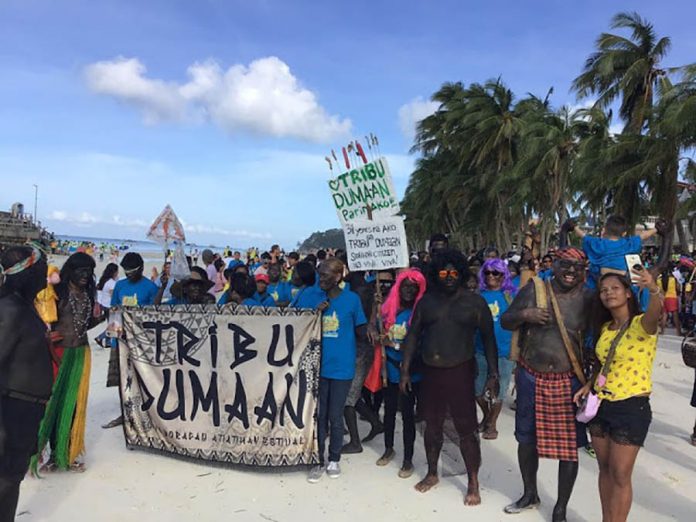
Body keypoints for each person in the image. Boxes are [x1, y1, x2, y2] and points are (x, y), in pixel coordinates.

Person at [500, 247, 593, 521]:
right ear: (555, 265)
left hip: (569, 379)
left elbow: (603, 338)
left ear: (583, 271)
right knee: (526, 439)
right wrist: (524, 315)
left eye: (576, 267)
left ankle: (561, 507)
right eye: (565, 265)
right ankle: (530, 493)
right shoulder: (534, 290)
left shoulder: (589, 298)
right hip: (531, 375)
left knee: (569, 447)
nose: (570, 272)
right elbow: (506, 320)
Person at [400, 250, 499, 505]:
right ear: (435, 274)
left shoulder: (475, 303)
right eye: (443, 272)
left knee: (466, 429)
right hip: (430, 373)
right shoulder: (426, 303)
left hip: (461, 372)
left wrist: (493, 373)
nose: (449, 277)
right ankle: (433, 473)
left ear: (462, 273)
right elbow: (412, 336)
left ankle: (473, 481)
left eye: (454, 272)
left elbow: (489, 339)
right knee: (431, 427)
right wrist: (405, 370)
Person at [573, 268, 661, 522]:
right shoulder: (604, 328)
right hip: (601, 405)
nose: (608, 293)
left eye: (615, 288)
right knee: (605, 469)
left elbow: (656, 313)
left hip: (631, 407)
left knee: (621, 474)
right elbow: (603, 362)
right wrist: (589, 384)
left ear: (628, 294)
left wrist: (654, 288)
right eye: (603, 290)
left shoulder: (642, 325)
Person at [33, 253, 104, 473]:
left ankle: (63, 455)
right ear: (70, 271)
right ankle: (37, 457)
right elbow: (41, 322)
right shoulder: (56, 293)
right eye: (81, 271)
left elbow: (83, 326)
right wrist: (46, 338)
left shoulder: (88, 296)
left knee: (72, 406)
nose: (85, 276)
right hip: (58, 354)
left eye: (89, 272)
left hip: (80, 354)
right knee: (51, 405)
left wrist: (98, 318)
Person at [0, 245, 51, 521]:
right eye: (43, 267)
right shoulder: (11, 309)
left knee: (11, 478)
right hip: (11, 410)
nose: (47, 273)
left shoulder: (21, 306)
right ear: (28, 272)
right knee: (6, 479)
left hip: (24, 408)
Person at [307, 258, 368, 483]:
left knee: (335, 415)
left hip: (342, 368)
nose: (321, 279)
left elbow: (361, 330)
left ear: (338, 277)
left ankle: (334, 459)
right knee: (319, 415)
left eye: (325, 275)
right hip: (319, 367)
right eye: (319, 275)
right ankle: (318, 460)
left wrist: (374, 325)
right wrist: (316, 314)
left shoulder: (352, 300)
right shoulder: (317, 300)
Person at [376, 269, 426, 478]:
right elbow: (376, 329)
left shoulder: (419, 314)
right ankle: (389, 448)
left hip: (410, 373)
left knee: (406, 416)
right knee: (388, 412)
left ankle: (408, 459)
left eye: (413, 288)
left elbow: (417, 345)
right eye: (405, 286)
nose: (408, 291)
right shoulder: (389, 310)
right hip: (389, 371)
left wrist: (394, 345)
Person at [102, 252, 159, 429]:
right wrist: (113, 338)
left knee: (141, 377)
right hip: (120, 339)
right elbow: (113, 311)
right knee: (122, 379)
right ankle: (124, 412)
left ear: (141, 268)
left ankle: (143, 413)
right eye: (125, 271)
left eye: (132, 271)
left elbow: (155, 316)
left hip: (141, 341)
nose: (128, 275)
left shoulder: (150, 288)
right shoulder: (119, 286)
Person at [340, 271, 385, 455]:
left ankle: (355, 442)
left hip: (360, 348)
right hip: (358, 347)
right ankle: (375, 422)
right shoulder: (367, 291)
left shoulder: (356, 293)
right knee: (352, 394)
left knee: (348, 399)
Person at [476, 258, 517, 440]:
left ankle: (492, 424)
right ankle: (486, 416)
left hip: (504, 350)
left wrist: (517, 351)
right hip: (479, 349)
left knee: (499, 391)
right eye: (488, 272)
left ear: (503, 275)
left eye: (496, 273)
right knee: (477, 391)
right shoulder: (478, 295)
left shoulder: (511, 296)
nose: (491, 276)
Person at [568, 215, 661, 289]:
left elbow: (583, 236)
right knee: (641, 291)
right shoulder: (628, 243)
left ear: (605, 230)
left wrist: (575, 227)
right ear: (624, 233)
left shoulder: (596, 243)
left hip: (597, 281)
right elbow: (643, 236)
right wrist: (656, 229)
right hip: (623, 279)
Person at [94, 263, 119, 347]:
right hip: (110, 306)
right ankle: (100, 337)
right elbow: (113, 295)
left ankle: (108, 342)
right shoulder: (112, 282)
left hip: (104, 305)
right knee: (114, 326)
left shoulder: (104, 280)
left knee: (110, 324)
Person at [659, 265, 682, 335]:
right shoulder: (673, 279)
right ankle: (678, 332)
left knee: (664, 315)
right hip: (672, 297)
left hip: (663, 298)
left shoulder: (659, 280)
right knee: (675, 316)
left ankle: (662, 331)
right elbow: (678, 288)